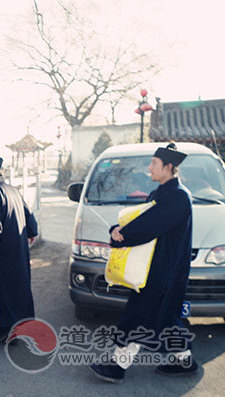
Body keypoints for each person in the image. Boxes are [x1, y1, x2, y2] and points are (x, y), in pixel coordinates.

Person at [90, 143, 199, 384]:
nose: (149, 167)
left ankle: (117, 366)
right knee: (167, 318)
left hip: (165, 272)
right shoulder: (161, 194)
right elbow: (138, 219)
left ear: (168, 167)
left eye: (154, 163)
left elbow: (149, 226)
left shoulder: (178, 197)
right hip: (157, 269)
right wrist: (117, 230)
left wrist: (122, 236)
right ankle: (185, 362)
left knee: (139, 315)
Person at [0, 157, 38, 344]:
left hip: (2, 254)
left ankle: (5, 328)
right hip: (19, 250)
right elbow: (29, 214)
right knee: (18, 290)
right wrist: (32, 232)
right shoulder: (13, 190)